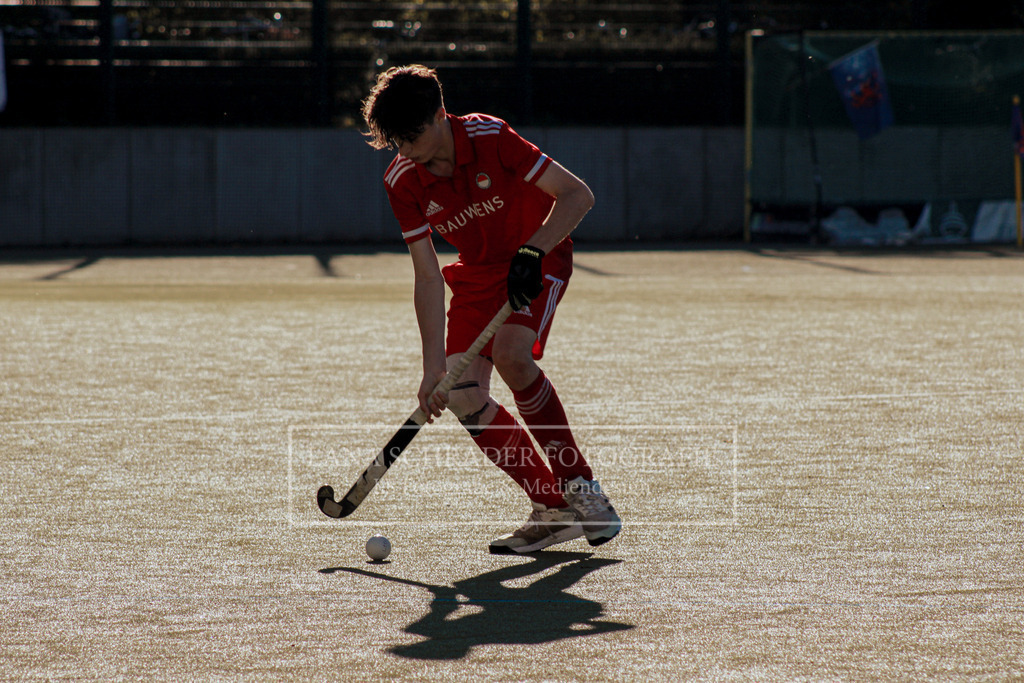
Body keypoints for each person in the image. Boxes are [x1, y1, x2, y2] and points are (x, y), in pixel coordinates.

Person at [361, 64, 620, 554]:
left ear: (440, 114)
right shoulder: (402, 180)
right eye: (397, 141)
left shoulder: (490, 135)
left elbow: (577, 195)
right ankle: (552, 508)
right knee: (459, 393)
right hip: (478, 275)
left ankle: (582, 488)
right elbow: (426, 274)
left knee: (513, 354)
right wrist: (432, 364)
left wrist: (532, 252)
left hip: (537, 254)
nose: (407, 150)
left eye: (413, 136)